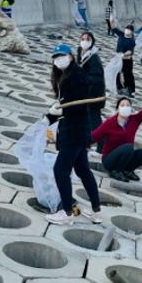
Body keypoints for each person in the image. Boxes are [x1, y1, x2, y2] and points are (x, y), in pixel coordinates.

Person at [46, 44, 103, 226]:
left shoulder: (76, 76)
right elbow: (68, 103)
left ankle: (67, 212)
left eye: (61, 55)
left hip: (74, 131)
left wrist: (58, 111)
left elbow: (77, 106)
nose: (58, 59)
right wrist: (57, 110)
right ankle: (96, 211)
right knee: (83, 170)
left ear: (70, 56)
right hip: (78, 130)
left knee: (60, 170)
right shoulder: (66, 76)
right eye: (55, 57)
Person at [91, 90, 142, 181]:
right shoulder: (110, 122)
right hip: (109, 160)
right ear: (117, 109)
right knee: (128, 147)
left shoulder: (134, 120)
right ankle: (116, 171)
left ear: (131, 109)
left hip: (125, 156)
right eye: (122, 105)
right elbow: (94, 136)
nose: (125, 107)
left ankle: (127, 170)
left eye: (128, 105)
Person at [77, 32, 105, 134]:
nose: (84, 41)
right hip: (84, 94)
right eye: (82, 39)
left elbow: (97, 79)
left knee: (95, 121)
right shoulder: (80, 52)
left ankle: (101, 143)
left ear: (92, 42)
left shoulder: (93, 58)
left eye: (87, 39)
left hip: (94, 95)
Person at [114, 24, 136, 97]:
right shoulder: (121, 34)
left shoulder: (132, 40)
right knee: (117, 73)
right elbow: (113, 28)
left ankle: (131, 90)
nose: (127, 30)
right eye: (127, 28)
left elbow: (130, 51)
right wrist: (110, 18)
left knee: (128, 75)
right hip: (118, 59)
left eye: (130, 30)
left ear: (132, 32)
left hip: (127, 60)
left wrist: (123, 54)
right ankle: (119, 88)